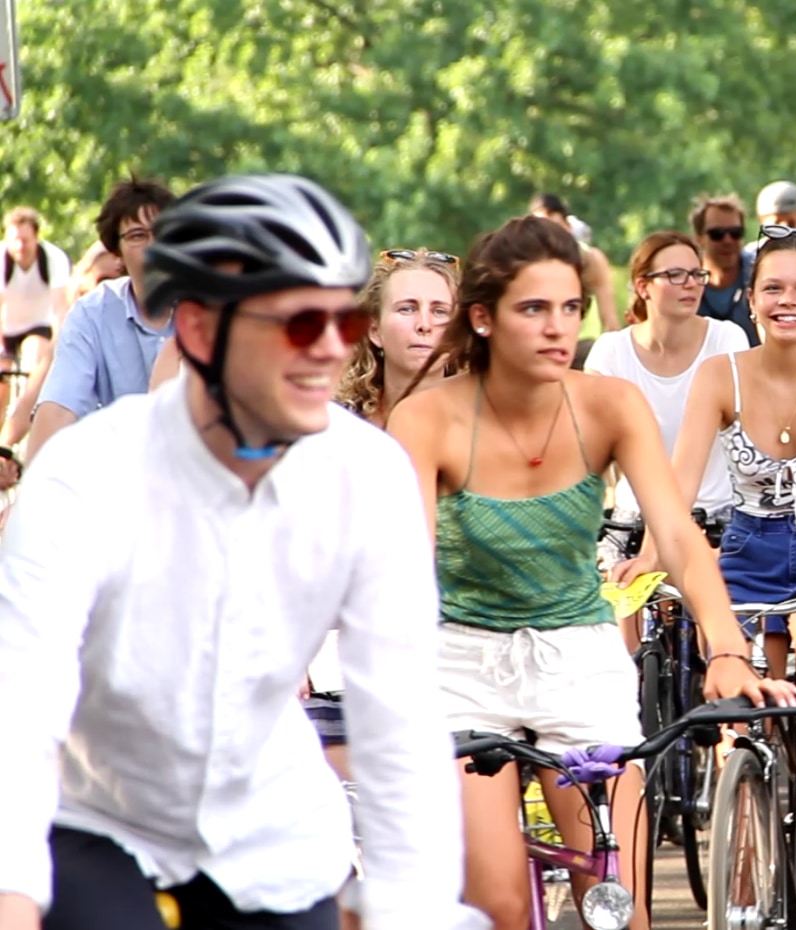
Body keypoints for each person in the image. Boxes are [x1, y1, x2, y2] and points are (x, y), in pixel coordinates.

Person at [0, 173, 483, 930]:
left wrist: (408, 907)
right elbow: (21, 698)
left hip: (273, 837)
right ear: (196, 330)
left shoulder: (368, 474)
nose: (326, 350)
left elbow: (398, 717)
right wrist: (11, 893)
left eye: (341, 320)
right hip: (98, 823)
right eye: (295, 321)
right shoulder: (86, 472)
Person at [387, 215, 796, 930]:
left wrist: (727, 648)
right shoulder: (426, 420)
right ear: (481, 319)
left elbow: (675, 532)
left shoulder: (608, 404)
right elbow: (402, 570)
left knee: (617, 908)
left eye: (571, 307)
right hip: (460, 665)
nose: (557, 328)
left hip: (578, 656)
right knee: (499, 906)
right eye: (533, 309)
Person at [630, 225, 796, 868]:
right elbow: (675, 490)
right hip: (750, 546)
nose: (787, 300)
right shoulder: (720, 376)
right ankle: (740, 832)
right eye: (772, 287)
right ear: (748, 295)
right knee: (733, 683)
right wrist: (650, 559)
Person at [587, 230, 749, 578]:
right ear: (643, 286)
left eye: (696, 274)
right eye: (675, 275)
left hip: (718, 519)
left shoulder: (728, 340)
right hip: (634, 522)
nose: (690, 284)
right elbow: (591, 452)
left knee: (722, 620)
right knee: (619, 611)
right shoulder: (610, 352)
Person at [29, 177, 177, 461]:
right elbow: (59, 408)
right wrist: (31, 498)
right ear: (115, 251)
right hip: (120, 479)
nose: (153, 246)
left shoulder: (211, 307)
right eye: (137, 236)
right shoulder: (92, 312)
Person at [0, 244, 123, 449]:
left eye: (121, 280)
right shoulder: (71, 339)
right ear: (83, 287)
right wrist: (4, 449)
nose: (114, 290)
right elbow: (31, 402)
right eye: (104, 282)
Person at [333, 248, 458, 427]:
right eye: (407, 309)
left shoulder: (483, 426)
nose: (424, 325)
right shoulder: (337, 424)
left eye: (440, 311)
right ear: (374, 330)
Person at [0, 208, 72, 412]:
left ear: (36, 237)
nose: (20, 246)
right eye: (15, 240)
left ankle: (29, 412)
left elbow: (60, 308)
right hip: (5, 328)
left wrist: (57, 345)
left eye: (25, 239)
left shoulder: (53, 259)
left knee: (35, 361)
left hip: (37, 325)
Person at [528, 191, 620, 334]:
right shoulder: (525, 263)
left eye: (556, 227)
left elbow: (610, 320)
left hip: (583, 344)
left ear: (567, 226)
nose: (550, 236)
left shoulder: (589, 258)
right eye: (543, 229)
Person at [689, 193, 759, 345]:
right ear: (698, 238)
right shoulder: (685, 283)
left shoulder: (760, 276)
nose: (727, 241)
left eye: (735, 233)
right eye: (717, 234)